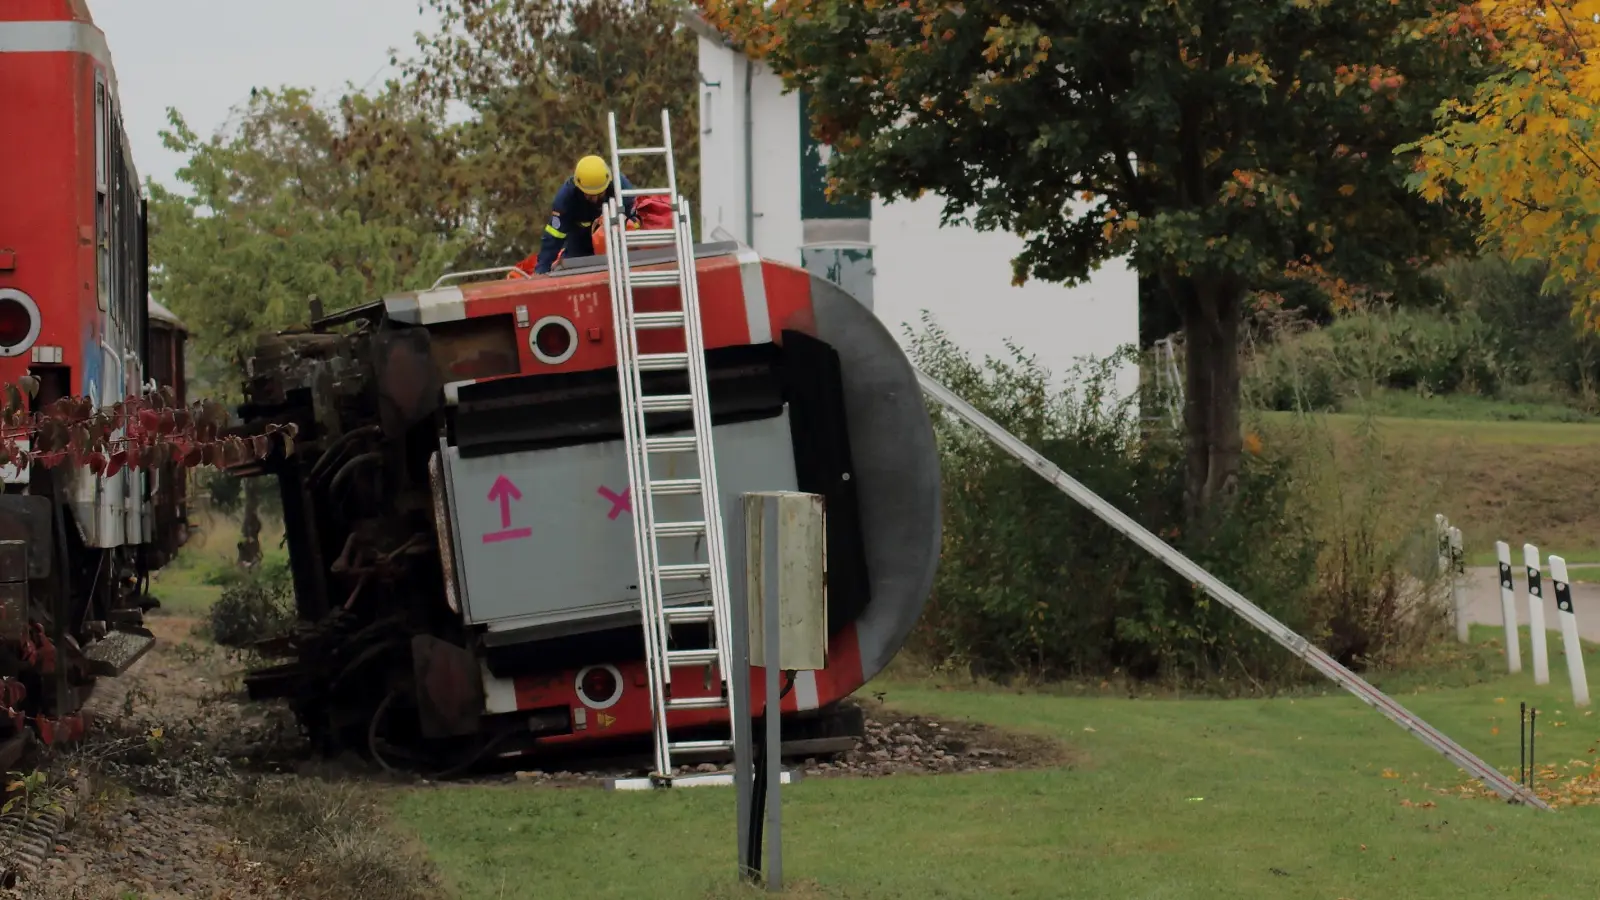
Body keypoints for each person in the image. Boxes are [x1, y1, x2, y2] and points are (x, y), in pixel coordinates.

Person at [534, 155, 637, 274]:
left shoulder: (622, 188)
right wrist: (541, 270)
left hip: (616, 241)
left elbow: (635, 222)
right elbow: (553, 237)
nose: (594, 199)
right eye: (589, 195)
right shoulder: (566, 198)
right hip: (579, 242)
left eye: (599, 194)